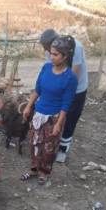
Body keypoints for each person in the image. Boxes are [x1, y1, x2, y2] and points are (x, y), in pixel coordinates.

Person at [21, 35, 77, 184]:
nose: (51, 57)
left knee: (49, 147)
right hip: (38, 112)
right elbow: (37, 89)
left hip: (54, 116)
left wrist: (59, 123)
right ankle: (33, 169)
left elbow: (66, 103)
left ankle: (44, 172)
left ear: (65, 57)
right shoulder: (46, 68)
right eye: (51, 53)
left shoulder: (70, 77)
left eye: (55, 54)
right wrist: (28, 106)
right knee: (33, 142)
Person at [39, 29, 88, 163]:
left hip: (76, 89)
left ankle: (62, 150)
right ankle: (49, 143)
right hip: (58, 86)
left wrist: (61, 95)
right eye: (48, 51)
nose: (49, 54)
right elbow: (48, 69)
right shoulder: (50, 50)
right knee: (53, 117)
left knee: (69, 118)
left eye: (51, 50)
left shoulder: (76, 47)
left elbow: (74, 75)